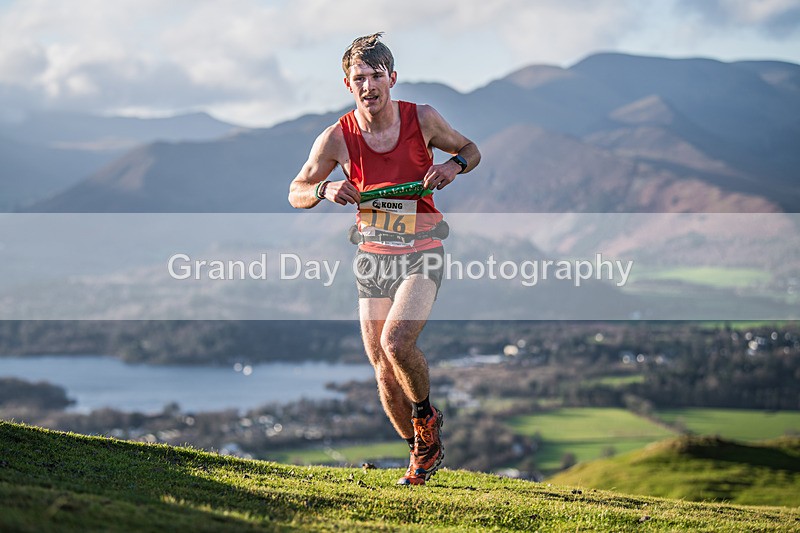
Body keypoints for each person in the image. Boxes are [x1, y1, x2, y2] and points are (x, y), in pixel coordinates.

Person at [288, 33, 480, 486]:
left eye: (376, 76)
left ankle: (426, 422)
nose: (368, 85)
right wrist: (323, 189)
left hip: (423, 250)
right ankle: (421, 452)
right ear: (347, 83)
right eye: (359, 78)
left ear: (392, 78)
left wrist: (453, 167)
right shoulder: (336, 137)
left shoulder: (423, 119)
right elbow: (295, 190)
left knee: (396, 343)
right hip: (374, 257)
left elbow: (469, 149)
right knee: (381, 366)